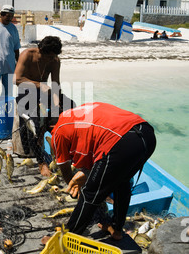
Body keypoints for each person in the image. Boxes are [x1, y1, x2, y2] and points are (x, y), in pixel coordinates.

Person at [50, 102, 156, 239]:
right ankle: (117, 229)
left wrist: (74, 185)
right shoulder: (81, 111)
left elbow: (64, 167)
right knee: (121, 182)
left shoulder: (58, 130)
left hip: (122, 140)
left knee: (89, 193)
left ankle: (66, 238)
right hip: (147, 134)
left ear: (51, 126)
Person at [14, 36, 66, 176]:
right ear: (41, 50)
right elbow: (17, 79)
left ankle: (63, 153)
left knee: (68, 108)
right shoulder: (27, 55)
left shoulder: (55, 60)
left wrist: (57, 107)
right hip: (26, 93)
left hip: (45, 93)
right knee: (34, 123)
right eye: (49, 57)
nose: (51, 60)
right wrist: (39, 85)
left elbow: (55, 85)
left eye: (54, 56)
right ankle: (41, 162)